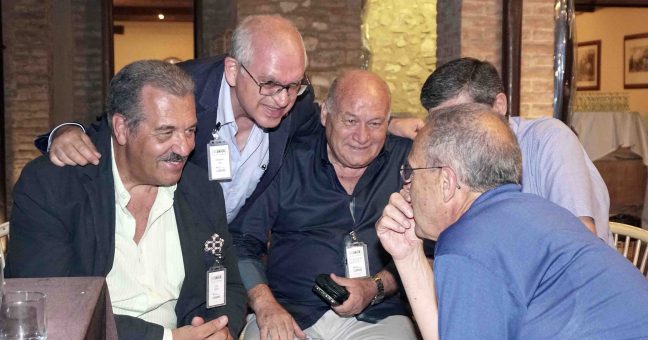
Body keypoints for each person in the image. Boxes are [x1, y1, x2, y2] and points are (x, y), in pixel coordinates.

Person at [376, 103, 648, 340]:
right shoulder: (538, 212)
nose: (405, 187)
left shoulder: (470, 244)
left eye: (411, 172)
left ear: (447, 182)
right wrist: (408, 256)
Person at [7, 60, 248, 340]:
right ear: (121, 128)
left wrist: (220, 334)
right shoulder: (54, 187)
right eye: (166, 132)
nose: (184, 147)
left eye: (190, 131)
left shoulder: (199, 191)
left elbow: (227, 283)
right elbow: (51, 311)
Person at [36, 15, 422, 228]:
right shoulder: (183, 89)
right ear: (234, 71)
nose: (282, 100)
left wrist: (388, 125)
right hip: (165, 235)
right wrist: (67, 133)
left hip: (229, 247)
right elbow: (122, 125)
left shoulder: (298, 107)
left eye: (293, 85)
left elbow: (337, 122)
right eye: (269, 84)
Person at [232, 70, 419, 340]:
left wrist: (374, 287)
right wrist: (265, 305)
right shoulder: (287, 160)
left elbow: (428, 249)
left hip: (378, 315)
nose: (362, 136)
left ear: (389, 122)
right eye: (350, 121)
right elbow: (242, 241)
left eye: (375, 123)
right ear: (325, 115)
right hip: (291, 313)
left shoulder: (408, 163)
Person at [420, 57, 611, 243]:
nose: (448, 133)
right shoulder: (455, 160)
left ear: (499, 106)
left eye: (460, 119)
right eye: (439, 123)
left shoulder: (551, 139)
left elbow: (582, 239)